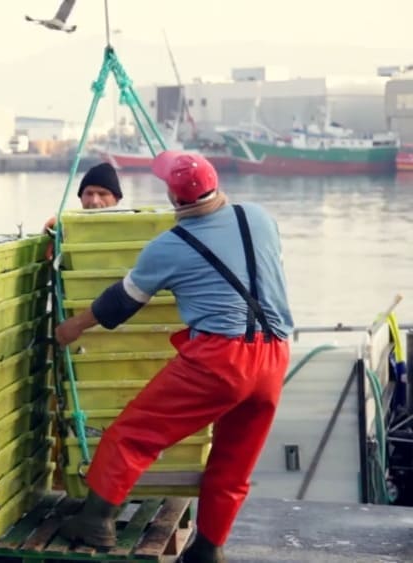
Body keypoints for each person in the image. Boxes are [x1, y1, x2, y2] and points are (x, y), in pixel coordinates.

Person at [53, 150, 294, 563]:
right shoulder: (258, 217)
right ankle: (208, 549)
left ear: (174, 197)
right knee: (233, 461)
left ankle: (95, 521)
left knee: (132, 436)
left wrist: (73, 326)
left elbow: (121, 302)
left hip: (221, 359)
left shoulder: (169, 246)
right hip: (275, 354)